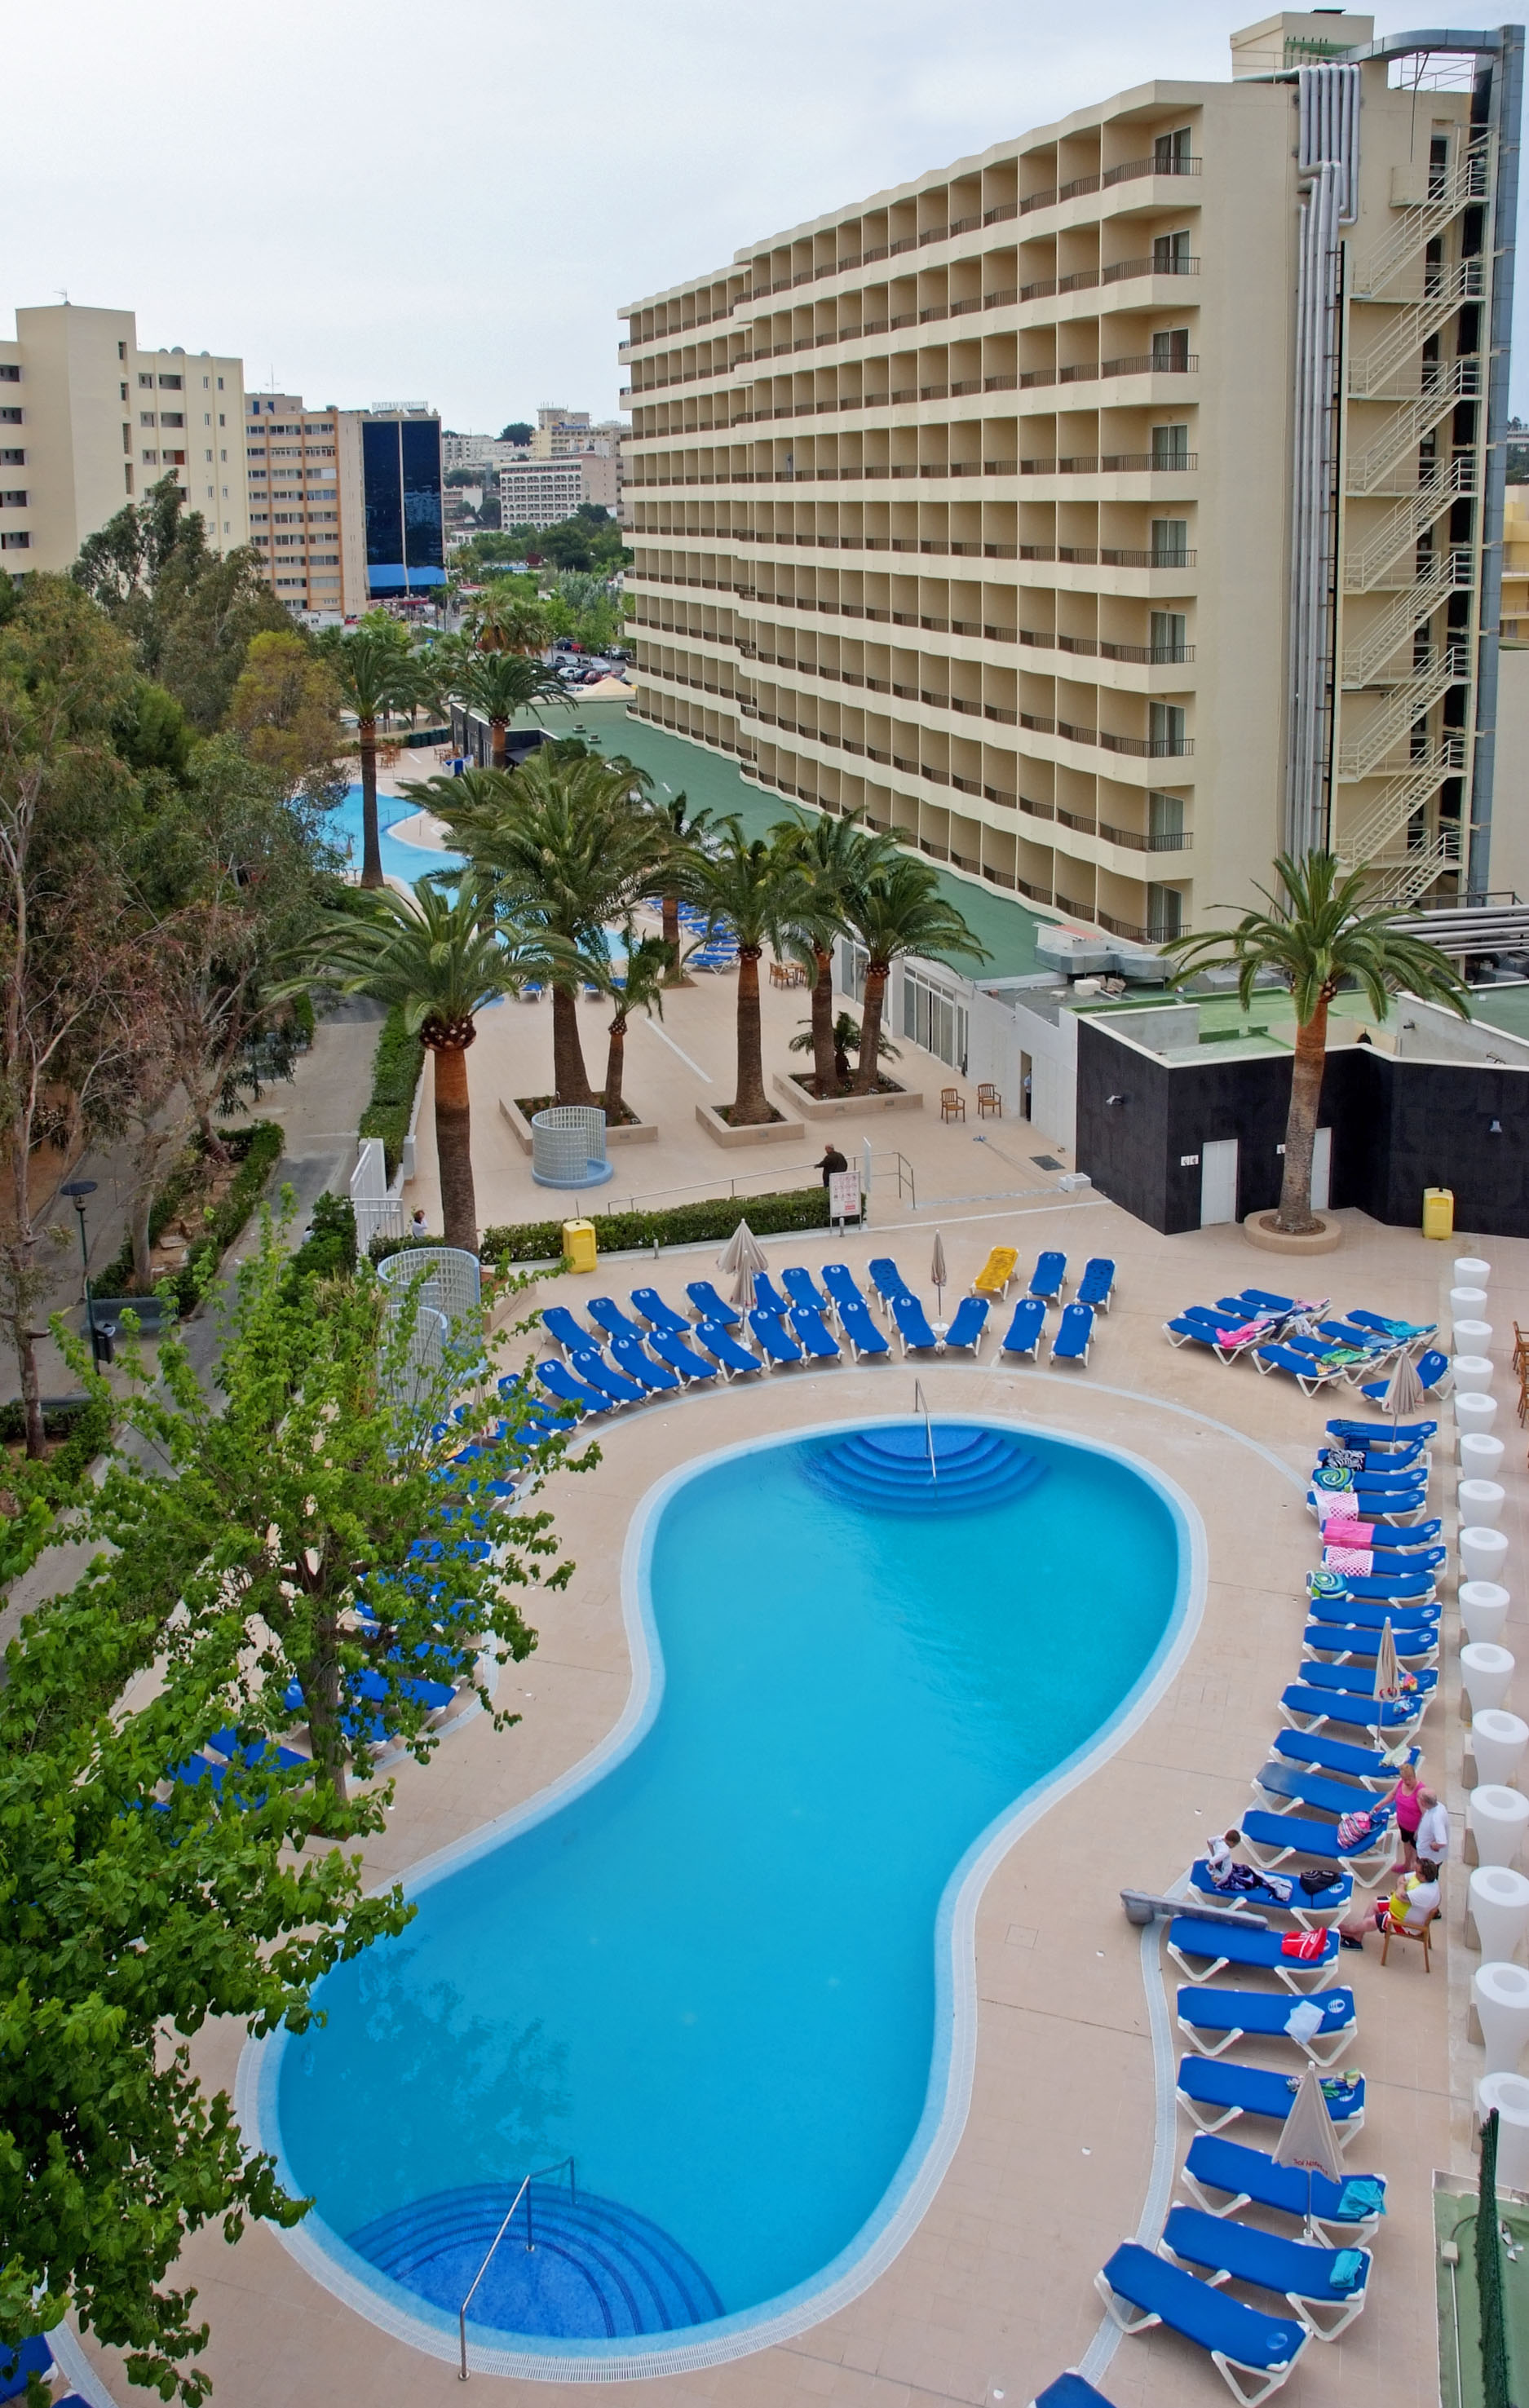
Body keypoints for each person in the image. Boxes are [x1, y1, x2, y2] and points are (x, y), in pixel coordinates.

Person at [1338, 1858, 1441, 1949]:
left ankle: (1349, 1929)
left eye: (1417, 1871)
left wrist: (1401, 1887)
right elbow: (1402, 1878)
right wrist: (1401, 1888)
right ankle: (1357, 1937)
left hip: (1405, 1922)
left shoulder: (1424, 1892)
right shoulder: (1424, 1878)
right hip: (1400, 1909)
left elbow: (1400, 1896)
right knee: (1374, 1902)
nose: (1414, 1871)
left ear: (1423, 1876)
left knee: (1371, 1921)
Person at [1387, 1761, 1425, 1871]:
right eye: (1404, 1779)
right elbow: (1392, 1795)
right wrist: (1379, 1805)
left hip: (1416, 1829)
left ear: (1414, 1776)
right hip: (1403, 1825)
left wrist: (1419, 1830)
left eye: (1409, 1779)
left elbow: (1425, 1814)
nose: (1407, 1782)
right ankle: (1406, 1865)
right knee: (1406, 1844)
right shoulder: (1400, 1784)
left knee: (1416, 1851)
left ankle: (1414, 1871)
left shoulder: (1420, 1791)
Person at [1416, 1789, 1450, 1865]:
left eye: (1419, 1798)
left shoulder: (1436, 1819)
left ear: (1423, 1802)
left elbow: (1442, 1842)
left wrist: (1433, 1845)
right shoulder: (1439, 1806)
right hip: (1425, 1855)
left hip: (1429, 1859)